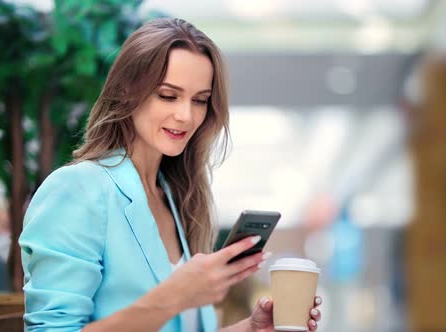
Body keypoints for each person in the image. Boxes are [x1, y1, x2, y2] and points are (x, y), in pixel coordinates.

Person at [18, 18, 322, 332]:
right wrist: (176, 296)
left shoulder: (174, 198)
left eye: (200, 100)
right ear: (126, 90)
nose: (186, 116)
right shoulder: (77, 189)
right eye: (168, 95)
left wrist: (251, 328)